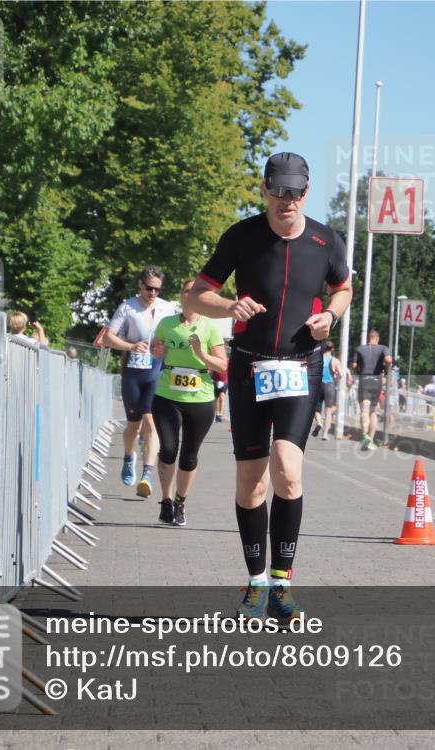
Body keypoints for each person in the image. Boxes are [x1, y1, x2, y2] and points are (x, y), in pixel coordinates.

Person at [187, 152, 352, 624]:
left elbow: (343, 288)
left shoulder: (326, 240)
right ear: (264, 190)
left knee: (289, 469)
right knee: (251, 483)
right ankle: (256, 582)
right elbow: (195, 293)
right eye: (279, 191)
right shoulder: (241, 237)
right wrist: (226, 307)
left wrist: (331, 317)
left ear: (307, 192)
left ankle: (282, 583)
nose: (287, 200)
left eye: (296, 191)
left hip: (301, 366)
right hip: (248, 368)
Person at [150, 278, 227, 526]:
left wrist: (201, 354)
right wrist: (156, 350)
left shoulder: (210, 327)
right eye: (187, 291)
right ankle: (166, 500)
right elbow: (156, 349)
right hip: (167, 395)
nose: (191, 296)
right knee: (169, 449)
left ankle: (181, 501)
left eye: (197, 292)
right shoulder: (167, 324)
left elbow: (223, 364)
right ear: (183, 296)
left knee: (189, 455)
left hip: (201, 397)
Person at [104, 266, 176, 499]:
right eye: (148, 288)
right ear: (140, 285)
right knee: (133, 426)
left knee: (151, 422)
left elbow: (177, 335)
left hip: (157, 371)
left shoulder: (168, 308)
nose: (152, 293)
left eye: (156, 289)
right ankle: (128, 456)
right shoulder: (128, 307)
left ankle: (147, 474)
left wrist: (168, 347)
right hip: (133, 372)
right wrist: (130, 346)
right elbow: (109, 337)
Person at [352, 330, 392, 450]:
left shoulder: (360, 349)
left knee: (364, 410)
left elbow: (353, 365)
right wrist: (385, 366)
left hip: (364, 379)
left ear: (368, 338)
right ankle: (371, 439)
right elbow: (389, 360)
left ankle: (364, 435)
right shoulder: (383, 348)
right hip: (377, 380)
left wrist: (358, 369)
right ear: (377, 338)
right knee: (373, 411)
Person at [312, 341, 342, 441]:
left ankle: (319, 422)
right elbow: (340, 375)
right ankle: (325, 433)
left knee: (316, 409)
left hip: (319, 385)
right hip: (330, 385)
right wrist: (337, 376)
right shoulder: (335, 360)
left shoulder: (318, 358)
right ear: (332, 349)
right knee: (329, 410)